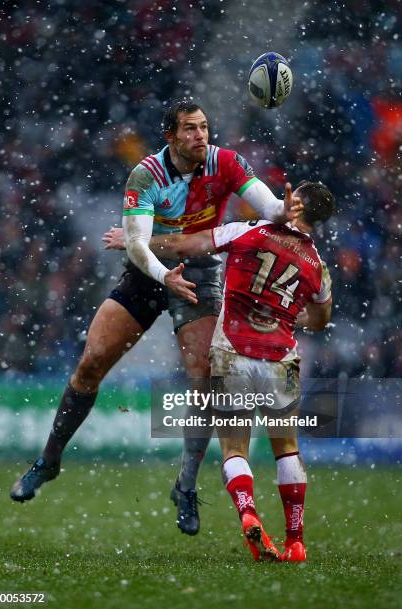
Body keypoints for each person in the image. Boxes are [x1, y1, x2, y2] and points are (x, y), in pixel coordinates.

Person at [10, 100, 301, 538]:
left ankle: (184, 486)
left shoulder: (226, 163)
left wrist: (285, 208)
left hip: (201, 274)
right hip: (148, 273)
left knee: (203, 378)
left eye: (204, 127)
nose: (200, 135)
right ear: (170, 136)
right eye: (190, 129)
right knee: (91, 364)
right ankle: (48, 461)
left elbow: (269, 207)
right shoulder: (146, 174)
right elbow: (137, 246)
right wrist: (167, 276)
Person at [141, 180, 335, 561]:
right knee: (287, 450)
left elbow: (185, 245)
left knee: (234, 447)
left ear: (295, 205)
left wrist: (138, 241)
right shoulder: (317, 266)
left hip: (232, 351)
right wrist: (290, 313)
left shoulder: (250, 231)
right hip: (282, 359)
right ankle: (295, 540)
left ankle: (248, 514)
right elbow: (321, 317)